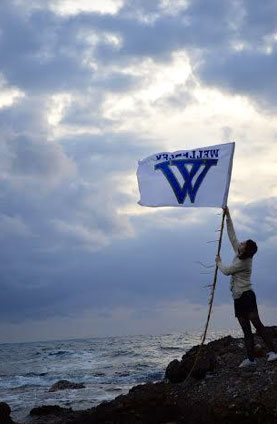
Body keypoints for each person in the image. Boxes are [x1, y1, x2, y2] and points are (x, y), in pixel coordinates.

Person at [215, 206, 277, 368]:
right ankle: (250, 359)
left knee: (257, 324)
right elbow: (232, 235)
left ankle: (273, 352)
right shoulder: (239, 252)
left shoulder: (245, 262)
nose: (240, 243)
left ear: (246, 250)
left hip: (247, 295)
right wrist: (228, 216)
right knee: (245, 329)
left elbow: (227, 271)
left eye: (243, 244)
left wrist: (218, 262)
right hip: (237, 297)